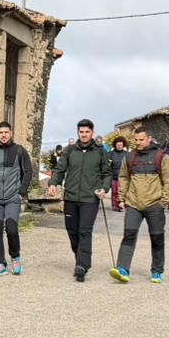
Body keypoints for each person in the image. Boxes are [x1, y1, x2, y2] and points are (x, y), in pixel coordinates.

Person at [48, 119, 113, 282]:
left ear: (92, 132)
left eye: (87, 132)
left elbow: (107, 174)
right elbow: (59, 170)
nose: (84, 135)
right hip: (70, 197)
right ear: (78, 133)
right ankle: (80, 259)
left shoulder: (100, 152)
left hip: (90, 198)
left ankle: (82, 266)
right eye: (81, 132)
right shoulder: (69, 151)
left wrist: (104, 188)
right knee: (72, 231)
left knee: (84, 230)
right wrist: (53, 183)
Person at [111, 129, 169, 284]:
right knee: (128, 235)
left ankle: (157, 271)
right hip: (133, 204)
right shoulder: (130, 157)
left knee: (157, 238)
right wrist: (122, 198)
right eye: (136, 140)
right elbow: (123, 177)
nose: (138, 143)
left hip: (155, 204)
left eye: (141, 140)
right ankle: (122, 269)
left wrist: (163, 202)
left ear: (149, 139)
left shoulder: (161, 156)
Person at [0, 121, 33, 276]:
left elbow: (28, 171)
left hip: (12, 198)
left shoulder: (20, 151)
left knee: (11, 228)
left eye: (6, 132)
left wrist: (20, 193)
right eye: (0, 132)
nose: (3, 135)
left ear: (11, 133)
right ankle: (0, 262)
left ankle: (15, 258)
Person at [108, 135, 129, 212]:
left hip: (123, 177)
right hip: (114, 176)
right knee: (114, 192)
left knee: (122, 192)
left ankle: (122, 205)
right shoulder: (110, 153)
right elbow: (107, 164)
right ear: (115, 145)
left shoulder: (127, 154)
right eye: (118, 145)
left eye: (121, 145)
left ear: (123, 145)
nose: (119, 146)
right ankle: (115, 206)